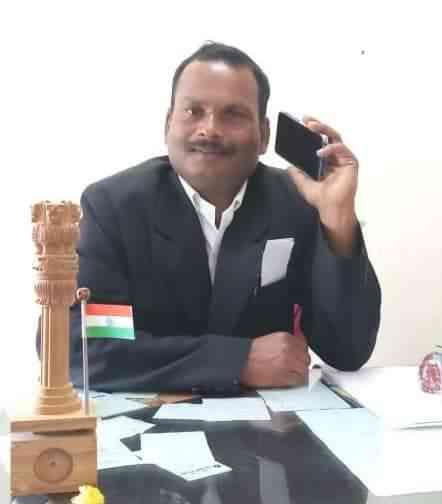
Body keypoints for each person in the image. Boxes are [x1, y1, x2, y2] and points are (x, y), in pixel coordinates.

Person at [43, 42, 381, 393]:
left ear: (264, 135)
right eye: (193, 111)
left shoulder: (296, 204)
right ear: (168, 124)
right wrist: (236, 362)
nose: (209, 129)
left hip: (272, 421)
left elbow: (348, 350)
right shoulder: (114, 207)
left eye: (233, 114)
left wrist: (337, 217)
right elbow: (81, 348)